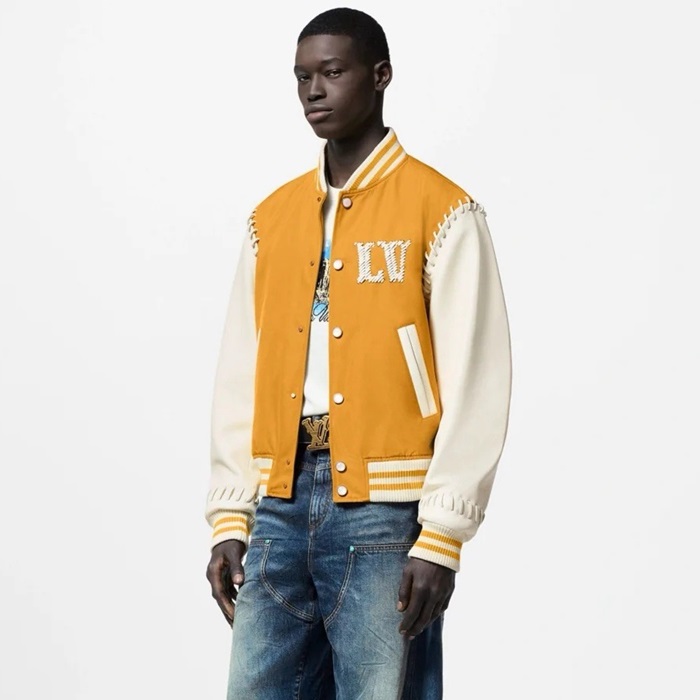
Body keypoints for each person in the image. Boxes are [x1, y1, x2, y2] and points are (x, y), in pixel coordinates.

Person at [204, 7, 512, 699]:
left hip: (385, 508)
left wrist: (443, 532)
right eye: (302, 77)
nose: (314, 91)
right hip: (278, 501)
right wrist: (230, 514)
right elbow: (239, 372)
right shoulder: (271, 220)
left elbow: (478, 377)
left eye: (332, 72)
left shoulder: (442, 210)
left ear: (380, 76)